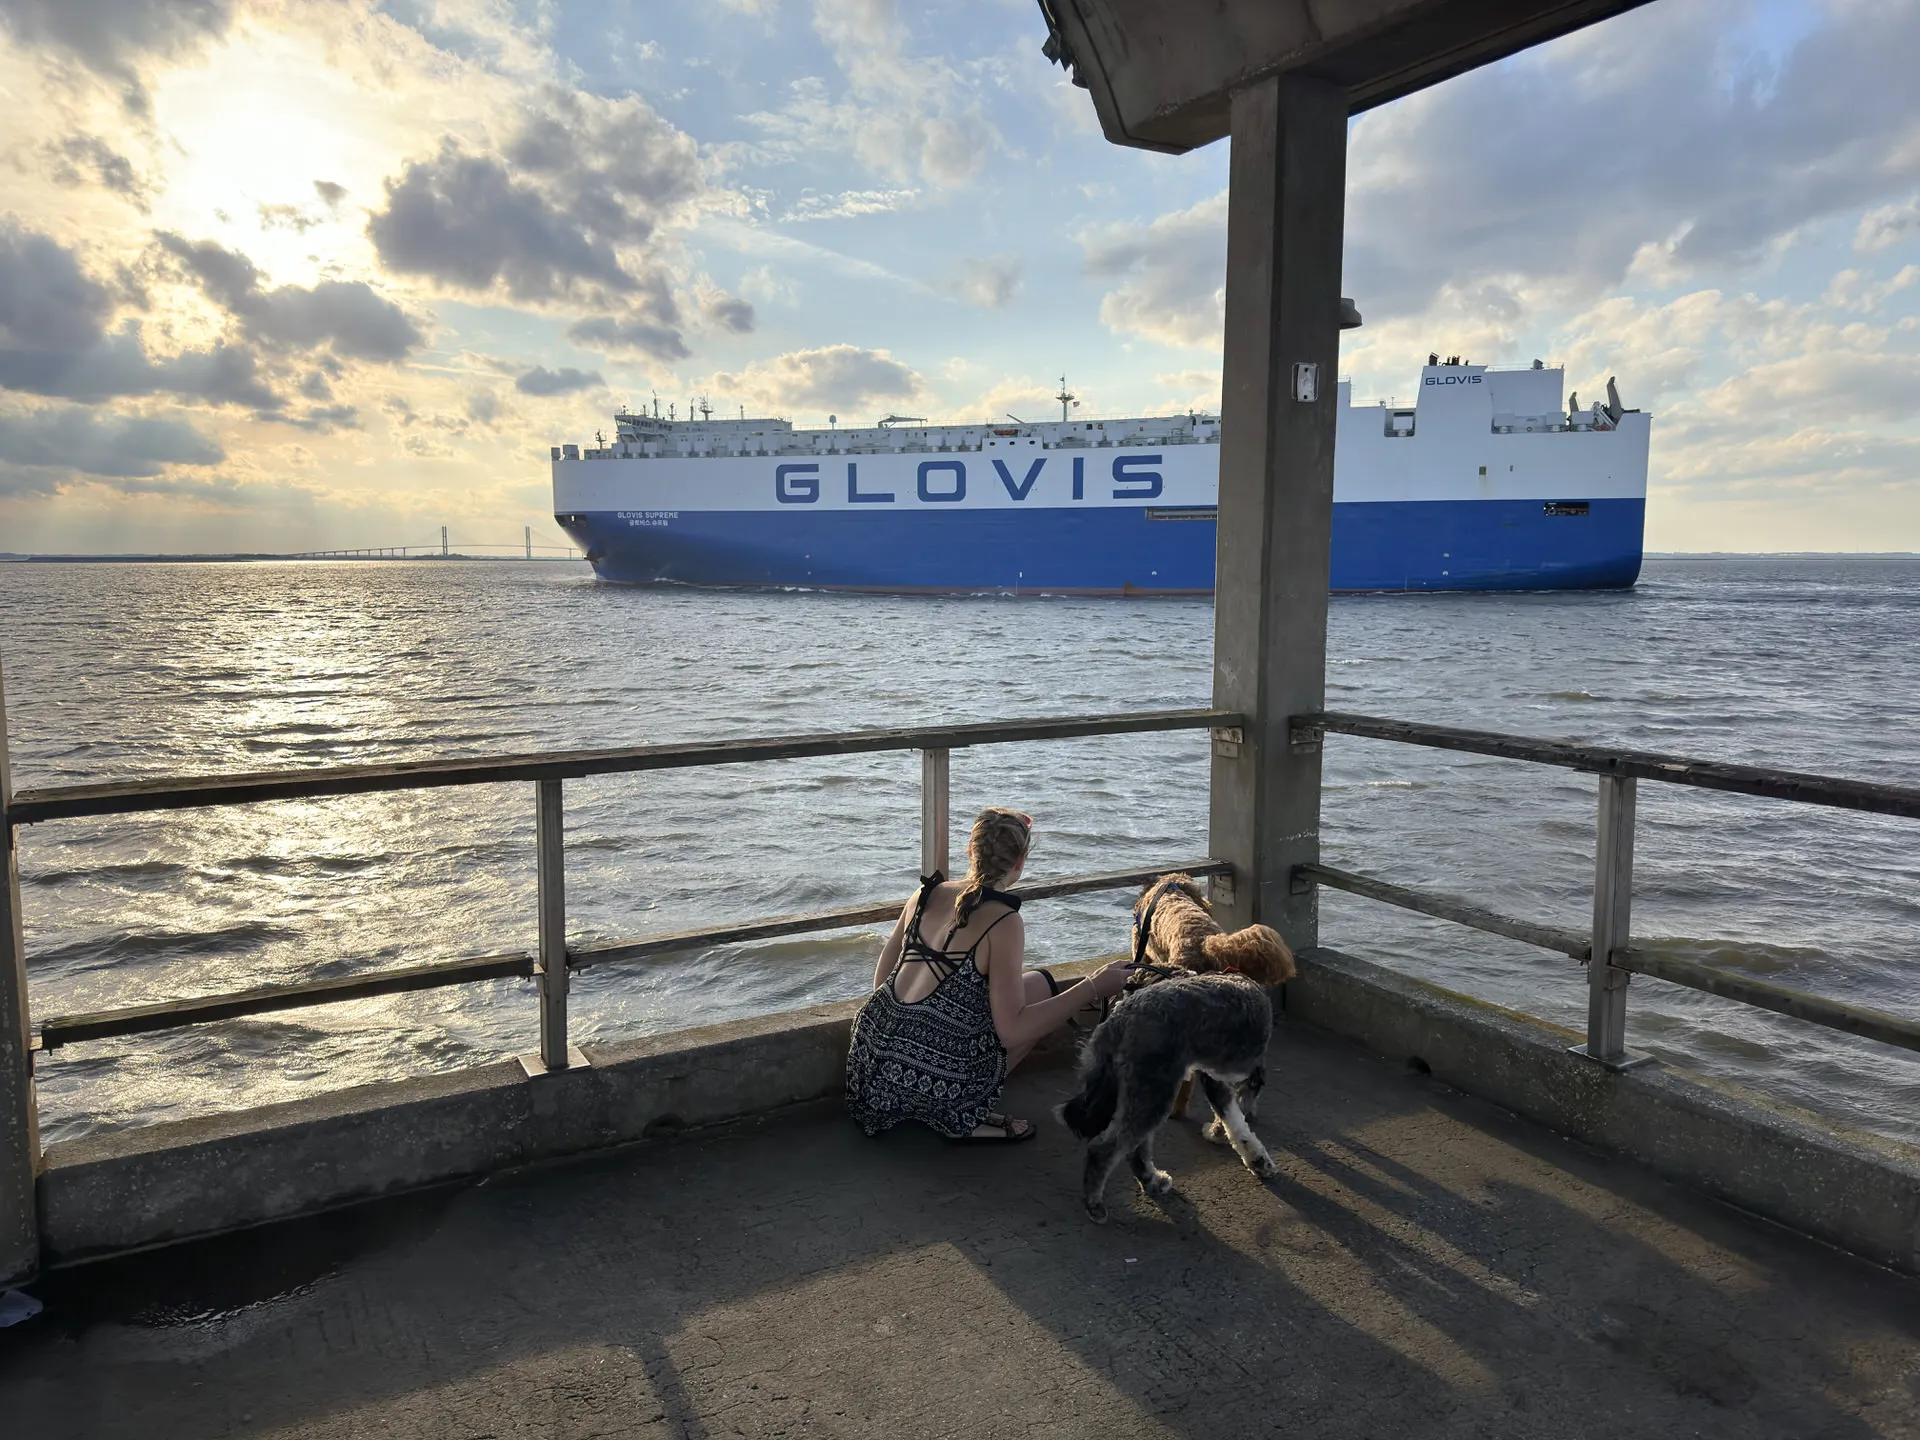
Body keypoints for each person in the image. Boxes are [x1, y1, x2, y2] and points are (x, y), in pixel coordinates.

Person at [845, 806, 1134, 1143]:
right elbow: (1012, 1031)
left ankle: (936, 1098)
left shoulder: (924, 894)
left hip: (870, 1074)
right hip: (931, 1085)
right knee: (1031, 1011)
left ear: (970, 850)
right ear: (1020, 863)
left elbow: (882, 983)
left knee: (1040, 984)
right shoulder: (1004, 920)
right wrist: (1093, 987)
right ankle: (963, 1116)